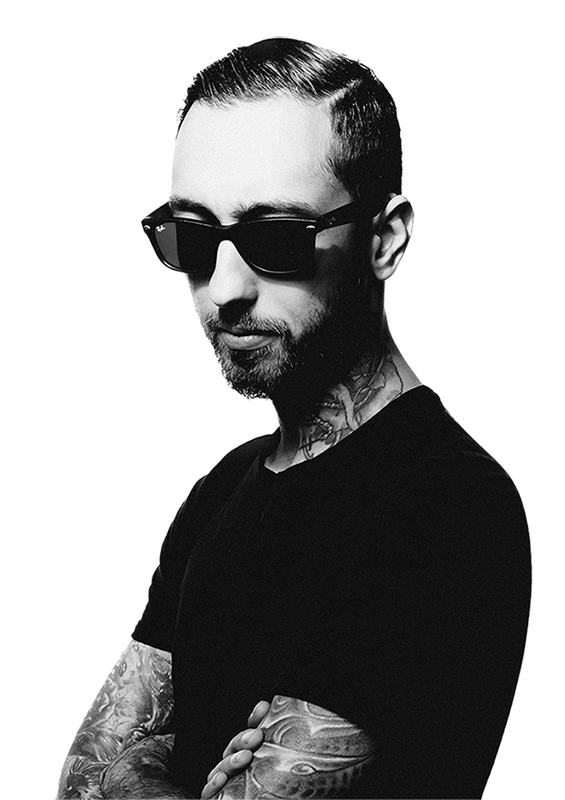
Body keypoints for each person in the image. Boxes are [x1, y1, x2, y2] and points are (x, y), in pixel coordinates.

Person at [58, 38, 531, 800]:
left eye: (275, 236)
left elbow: (122, 773)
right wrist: (135, 767)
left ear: (382, 239)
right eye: (193, 237)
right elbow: (82, 779)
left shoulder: (444, 505)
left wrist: (142, 764)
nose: (223, 291)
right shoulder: (223, 491)